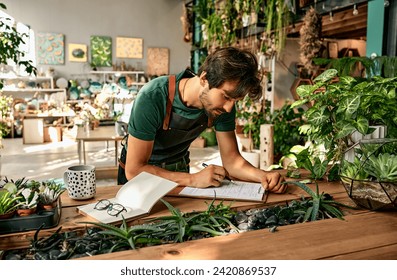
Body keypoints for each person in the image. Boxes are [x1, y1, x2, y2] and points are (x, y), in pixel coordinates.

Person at [118, 47, 287, 194]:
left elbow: (232, 161)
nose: (229, 108)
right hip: (142, 179)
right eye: (226, 96)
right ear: (204, 79)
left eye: (235, 101)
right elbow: (135, 169)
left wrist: (262, 175)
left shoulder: (221, 106)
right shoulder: (152, 96)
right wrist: (193, 180)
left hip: (179, 172)